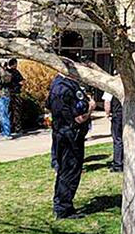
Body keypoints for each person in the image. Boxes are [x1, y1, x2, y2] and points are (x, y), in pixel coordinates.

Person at [47, 73, 92, 220]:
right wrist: (90, 108)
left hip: (62, 134)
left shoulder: (57, 84)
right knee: (70, 171)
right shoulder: (66, 87)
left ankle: (62, 204)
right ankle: (63, 208)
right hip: (70, 136)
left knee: (64, 170)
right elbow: (78, 118)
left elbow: (48, 105)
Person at [0, 60, 15, 139]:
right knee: (1, 115)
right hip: (0, 96)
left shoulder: (7, 75)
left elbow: (3, 75)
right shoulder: (1, 76)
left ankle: (7, 133)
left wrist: (1, 66)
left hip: (4, 96)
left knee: (4, 115)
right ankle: (4, 132)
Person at [103, 90, 123, 172]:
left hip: (117, 115)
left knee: (117, 139)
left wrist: (107, 114)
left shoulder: (110, 87)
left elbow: (107, 102)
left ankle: (118, 164)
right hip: (128, 115)